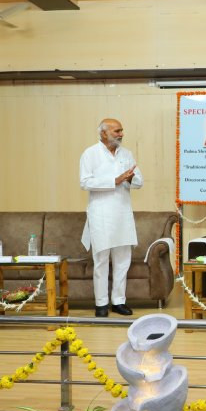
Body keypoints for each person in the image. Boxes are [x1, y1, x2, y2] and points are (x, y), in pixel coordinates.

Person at [80, 118, 143, 317]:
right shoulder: (90, 154)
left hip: (123, 212)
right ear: (103, 133)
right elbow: (85, 182)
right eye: (117, 131)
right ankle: (101, 303)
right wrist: (114, 180)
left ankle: (119, 301)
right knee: (100, 261)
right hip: (100, 214)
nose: (121, 134)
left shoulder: (127, 154)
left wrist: (130, 177)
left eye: (121, 130)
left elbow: (139, 181)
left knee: (123, 260)